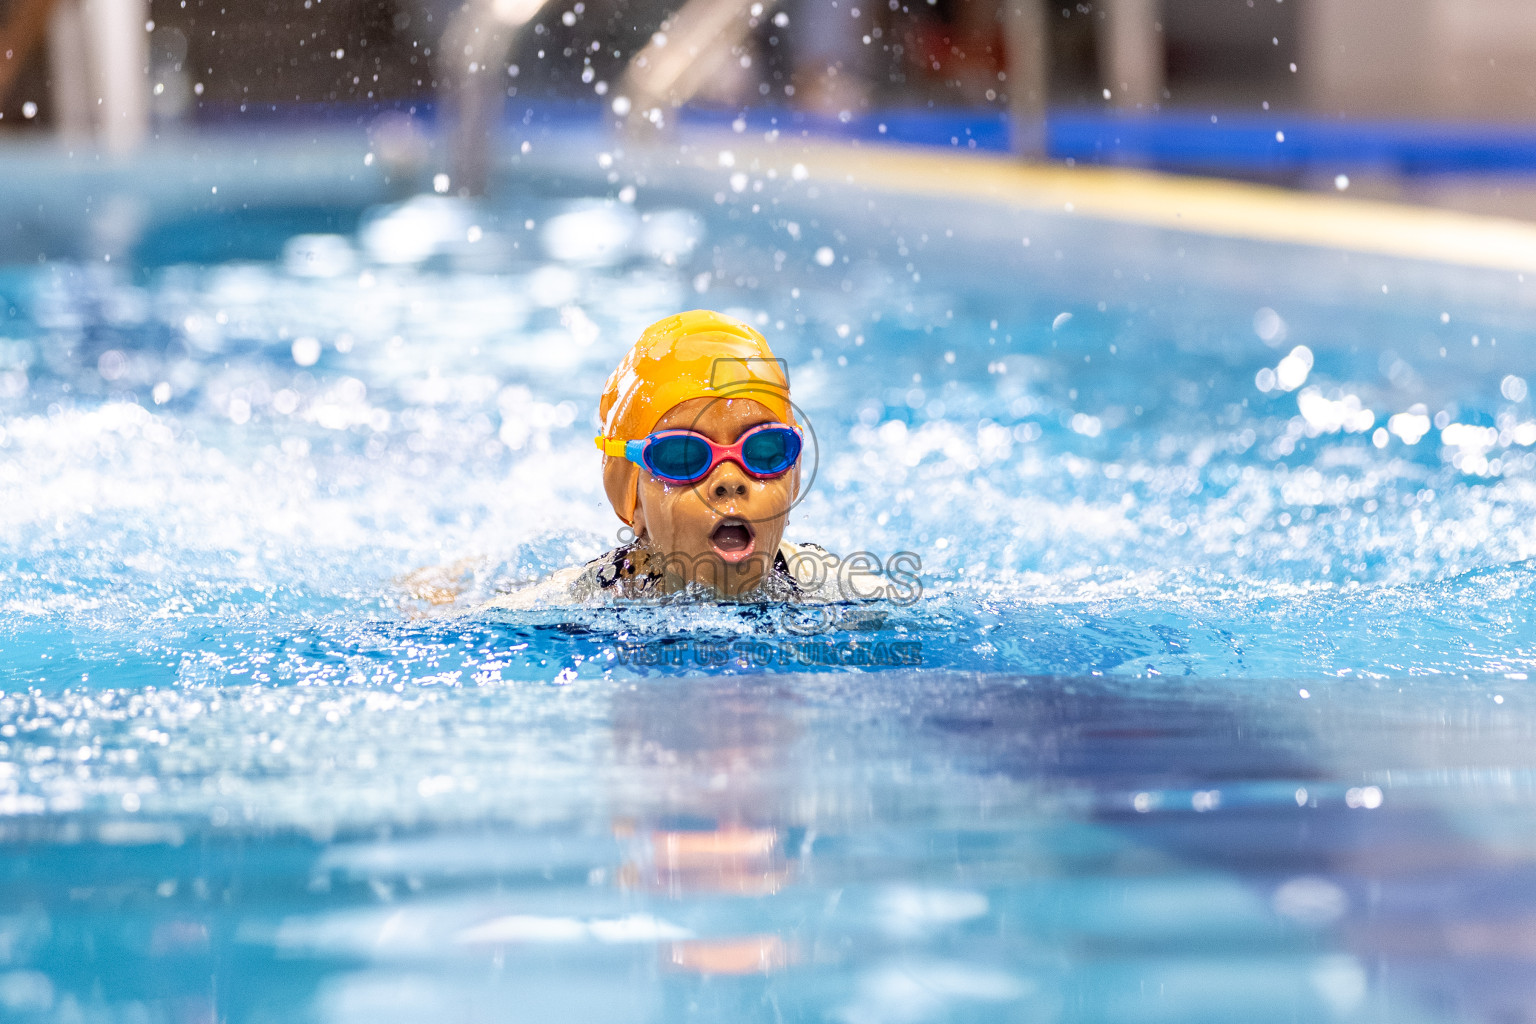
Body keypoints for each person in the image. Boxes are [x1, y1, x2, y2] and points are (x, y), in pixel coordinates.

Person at [484, 310, 855, 609]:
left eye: (763, 450)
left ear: (792, 480)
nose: (730, 479)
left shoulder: (829, 586)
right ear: (635, 503)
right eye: (684, 457)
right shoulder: (589, 597)